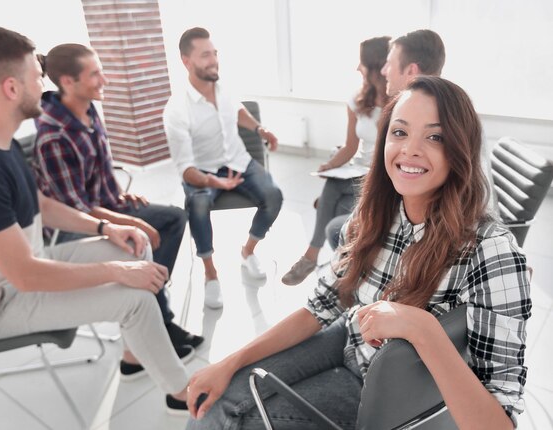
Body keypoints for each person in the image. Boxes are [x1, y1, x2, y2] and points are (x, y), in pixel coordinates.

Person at [184, 77, 531, 429]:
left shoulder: (493, 252)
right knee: (215, 398)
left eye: (435, 136)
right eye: (399, 132)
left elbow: (497, 423)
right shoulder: (377, 210)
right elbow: (320, 307)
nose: (409, 149)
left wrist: (422, 328)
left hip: (385, 390)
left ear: (461, 149)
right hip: (345, 337)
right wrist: (229, 361)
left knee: (239, 423)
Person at [0, 25, 190, 413]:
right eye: (37, 77)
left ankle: (135, 355)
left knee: (139, 243)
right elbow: (26, 276)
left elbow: (41, 204)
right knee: (134, 298)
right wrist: (115, 271)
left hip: (26, 269)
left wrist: (108, 227)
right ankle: (183, 393)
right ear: (11, 88)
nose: (44, 86)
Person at [33, 43, 203, 355]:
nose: (105, 80)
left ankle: (151, 306)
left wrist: (119, 197)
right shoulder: (53, 135)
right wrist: (132, 222)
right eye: (95, 74)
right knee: (142, 240)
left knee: (173, 218)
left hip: (103, 205)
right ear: (68, 82)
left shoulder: (86, 109)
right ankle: (155, 323)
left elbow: (95, 173)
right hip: (71, 227)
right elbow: (75, 209)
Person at [163, 27, 283, 309]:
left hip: (239, 163)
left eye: (214, 53)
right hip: (202, 172)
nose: (213, 60)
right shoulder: (176, 109)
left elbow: (237, 110)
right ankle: (210, 273)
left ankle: (247, 251)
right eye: (205, 55)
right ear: (186, 61)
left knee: (274, 196)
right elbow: (185, 169)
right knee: (199, 206)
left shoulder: (224, 87)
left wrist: (260, 129)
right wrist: (215, 183)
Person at [321, 29, 452, 252]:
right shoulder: (426, 108)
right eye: (399, 133)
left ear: (411, 70)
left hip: (429, 237)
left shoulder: (448, 118)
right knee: (337, 212)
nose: (384, 71)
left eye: (389, 64)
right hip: (406, 213)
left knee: (339, 229)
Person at [281, 36, 390, 286]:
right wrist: (330, 166)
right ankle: (316, 258)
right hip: (358, 169)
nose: (356, 68)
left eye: (361, 63)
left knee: (333, 202)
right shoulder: (357, 100)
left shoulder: (398, 102)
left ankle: (319, 259)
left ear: (374, 65)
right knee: (332, 184)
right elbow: (351, 147)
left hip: (381, 175)